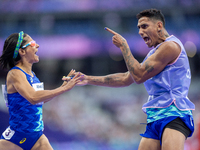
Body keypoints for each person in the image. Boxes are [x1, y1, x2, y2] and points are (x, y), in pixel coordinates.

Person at [72, 8, 195, 150]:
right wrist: (87, 79)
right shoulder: (154, 53)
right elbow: (126, 78)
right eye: (138, 28)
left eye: (144, 26)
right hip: (155, 115)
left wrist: (124, 46)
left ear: (159, 26)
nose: (140, 32)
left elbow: (139, 76)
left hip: (174, 112)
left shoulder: (170, 47)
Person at [0, 31, 83, 150]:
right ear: (22, 51)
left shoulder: (33, 76)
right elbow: (33, 97)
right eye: (32, 43)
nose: (37, 45)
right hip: (16, 139)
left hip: (37, 137)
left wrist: (61, 88)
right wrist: (63, 89)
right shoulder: (15, 73)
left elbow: (39, 100)